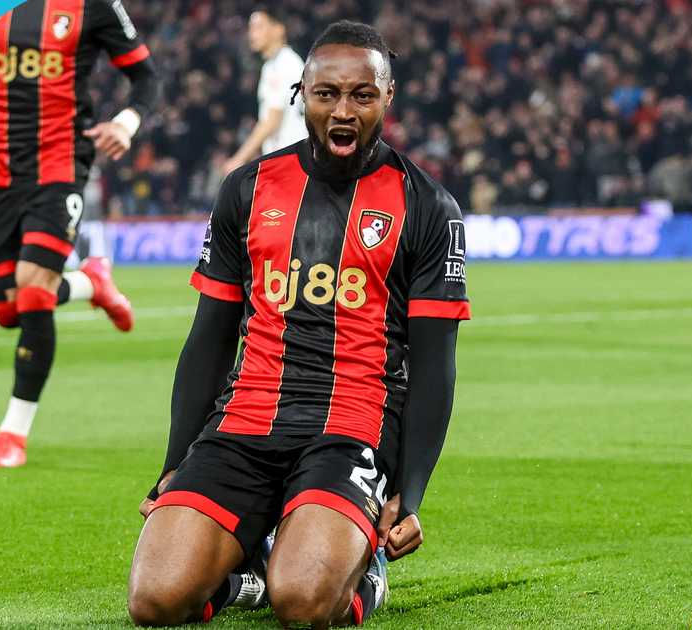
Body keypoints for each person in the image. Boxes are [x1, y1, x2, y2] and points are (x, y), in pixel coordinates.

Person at [129, 21, 470, 628]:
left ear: (388, 97)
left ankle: (361, 573)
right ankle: (249, 579)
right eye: (326, 94)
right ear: (300, 96)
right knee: (155, 600)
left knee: (306, 604)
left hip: (353, 424)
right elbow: (209, 337)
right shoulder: (247, 189)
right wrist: (173, 461)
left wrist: (409, 495)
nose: (343, 110)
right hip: (245, 418)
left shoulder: (427, 206)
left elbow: (436, 365)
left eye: (362, 95)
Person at [0, 0, 160, 468]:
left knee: (34, 290)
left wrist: (125, 123)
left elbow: (146, 78)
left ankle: (13, 435)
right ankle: (91, 282)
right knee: (6, 309)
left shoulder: (93, 6)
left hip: (60, 166)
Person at [221, 8, 307, 174]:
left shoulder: (284, 65)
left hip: (290, 161)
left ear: (278, 29)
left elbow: (272, 120)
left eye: (259, 27)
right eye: (251, 28)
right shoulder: (274, 64)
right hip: (285, 158)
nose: (252, 33)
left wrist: (239, 158)